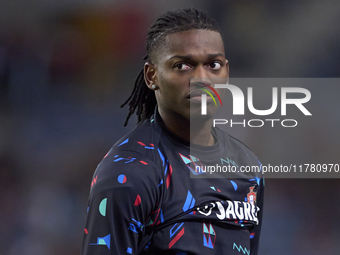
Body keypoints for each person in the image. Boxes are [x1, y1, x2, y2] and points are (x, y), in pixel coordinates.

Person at [81, 8, 264, 255]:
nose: (202, 79)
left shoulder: (247, 167)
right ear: (152, 75)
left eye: (213, 65)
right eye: (182, 66)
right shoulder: (128, 174)